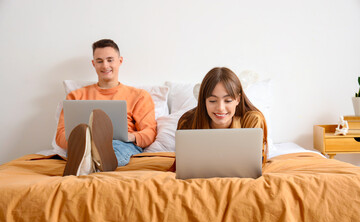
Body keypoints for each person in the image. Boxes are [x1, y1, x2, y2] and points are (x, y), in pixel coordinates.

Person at [56, 39, 157, 176]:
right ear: (93, 64)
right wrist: (82, 141)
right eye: (99, 61)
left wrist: (131, 136)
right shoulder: (76, 96)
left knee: (114, 147)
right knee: (79, 145)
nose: (105, 65)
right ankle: (90, 158)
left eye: (110, 60)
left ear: (120, 61)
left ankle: (86, 164)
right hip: (81, 145)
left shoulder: (139, 96)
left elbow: (149, 132)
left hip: (120, 144)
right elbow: (61, 134)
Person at [171, 67, 268, 171]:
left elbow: (255, 165)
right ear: (204, 101)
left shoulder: (253, 120)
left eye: (228, 100)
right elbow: (182, 166)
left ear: (238, 100)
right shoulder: (188, 121)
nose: (220, 108)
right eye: (212, 101)